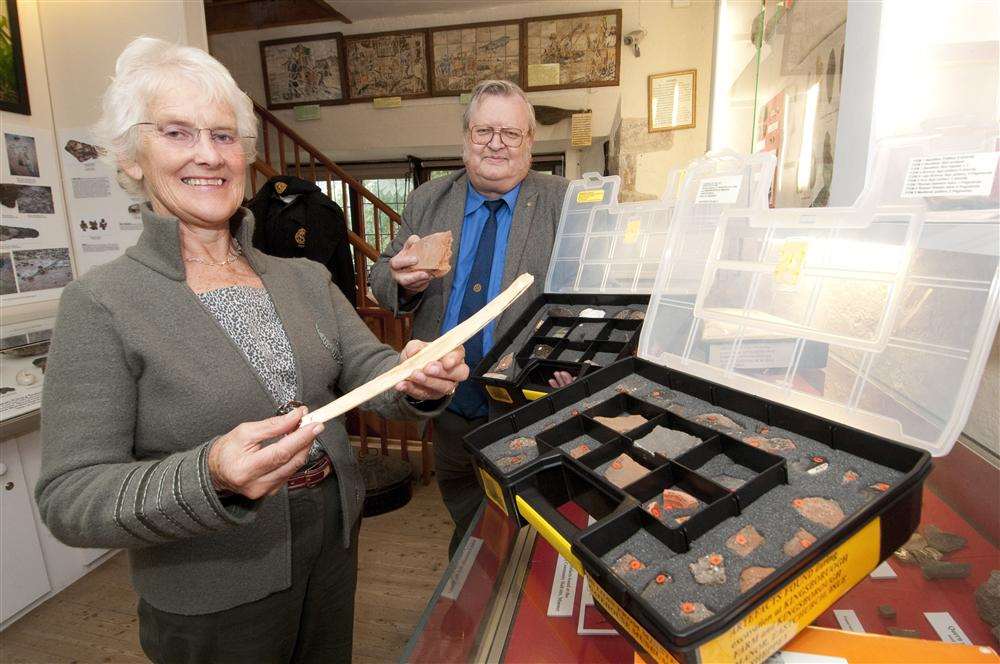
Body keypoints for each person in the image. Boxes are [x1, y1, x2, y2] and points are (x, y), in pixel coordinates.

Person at [35, 38, 468, 664]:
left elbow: (364, 368)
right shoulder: (101, 304)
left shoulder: (301, 278)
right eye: (178, 133)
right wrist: (209, 474)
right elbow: (70, 497)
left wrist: (411, 375)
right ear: (131, 156)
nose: (208, 155)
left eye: (225, 135)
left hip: (333, 549)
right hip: (211, 588)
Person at [369, 80, 570, 557]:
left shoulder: (566, 200)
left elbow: (594, 291)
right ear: (465, 139)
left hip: (529, 404)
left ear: (530, 141)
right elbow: (382, 273)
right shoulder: (427, 200)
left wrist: (576, 360)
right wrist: (400, 282)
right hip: (451, 405)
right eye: (483, 131)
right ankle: (470, 588)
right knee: (466, 512)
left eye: (510, 133)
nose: (496, 143)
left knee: (534, 524)